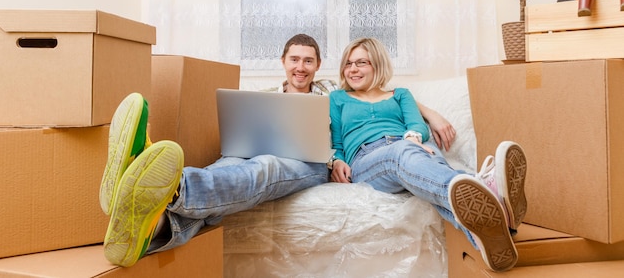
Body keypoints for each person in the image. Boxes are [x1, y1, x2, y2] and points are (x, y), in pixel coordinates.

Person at [99, 33, 456, 267]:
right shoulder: (264, 97)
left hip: (310, 158)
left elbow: (381, 98)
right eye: (294, 59)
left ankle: (171, 187)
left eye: (309, 60)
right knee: (232, 164)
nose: (301, 67)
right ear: (283, 61)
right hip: (250, 152)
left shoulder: (333, 91)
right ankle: (158, 223)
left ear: (318, 66)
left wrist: (429, 113)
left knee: (266, 167)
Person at [328, 37, 528, 272]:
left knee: (443, 176)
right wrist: (338, 160)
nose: (352, 69)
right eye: (348, 63)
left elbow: (417, 125)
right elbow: (337, 140)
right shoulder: (337, 98)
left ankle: (492, 238)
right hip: (367, 160)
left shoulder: (401, 94)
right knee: (407, 156)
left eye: (361, 62)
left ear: (377, 64)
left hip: (411, 151)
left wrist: (412, 138)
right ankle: (490, 190)